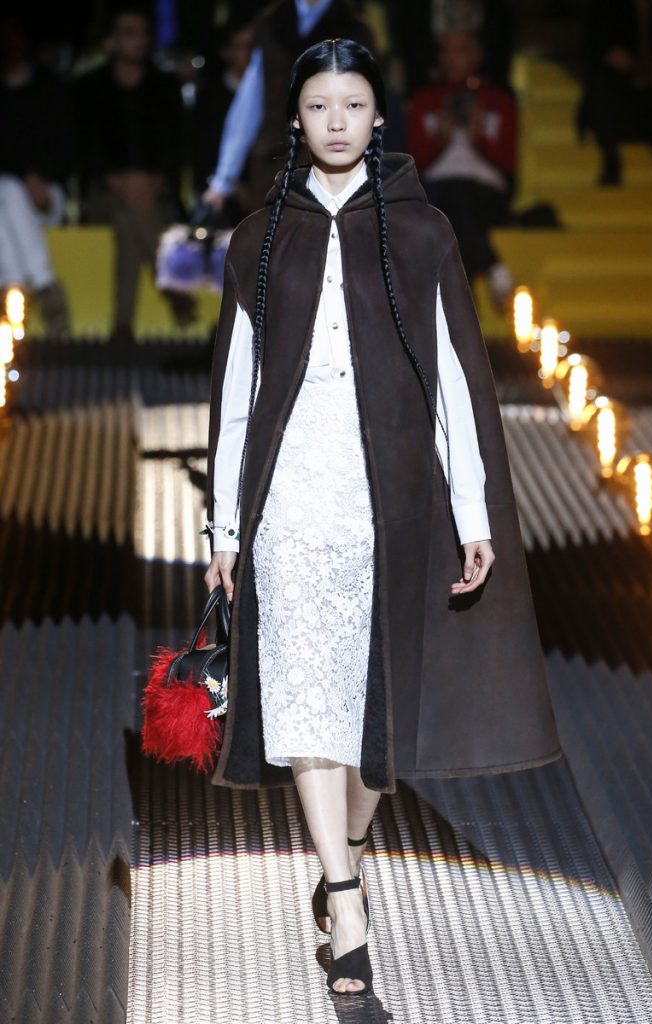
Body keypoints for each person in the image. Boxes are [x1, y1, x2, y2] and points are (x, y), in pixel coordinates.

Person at [204, 39, 562, 997]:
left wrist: (472, 512)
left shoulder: (422, 231)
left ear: (377, 116)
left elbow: (455, 384)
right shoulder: (259, 238)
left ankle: (349, 848)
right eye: (319, 106)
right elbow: (236, 395)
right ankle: (344, 896)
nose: (336, 122)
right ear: (296, 118)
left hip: (389, 496)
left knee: (372, 715)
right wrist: (225, 529)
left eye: (353, 105)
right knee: (306, 697)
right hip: (288, 496)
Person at [75, 9, 195, 342]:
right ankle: (171, 283)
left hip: (152, 195)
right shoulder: (90, 88)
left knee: (128, 219)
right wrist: (118, 181)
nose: (140, 40)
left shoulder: (164, 87)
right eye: (130, 32)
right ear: (111, 42)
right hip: (103, 192)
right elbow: (85, 149)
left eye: (143, 32)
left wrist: (153, 182)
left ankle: (122, 326)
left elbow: (175, 148)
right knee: (129, 208)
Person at [201, 0, 374, 215]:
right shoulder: (270, 23)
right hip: (273, 166)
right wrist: (223, 179)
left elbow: (365, 105)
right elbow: (250, 102)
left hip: (334, 170)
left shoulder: (355, 27)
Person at [407, 27, 518, 313]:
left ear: (477, 55)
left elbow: (509, 164)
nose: (452, 59)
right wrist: (440, 140)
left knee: (458, 204)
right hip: (436, 193)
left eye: (461, 51)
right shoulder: (424, 101)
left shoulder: (499, 101)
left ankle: (459, 306)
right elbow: (413, 165)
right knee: (454, 203)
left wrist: (479, 136)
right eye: (447, 51)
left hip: (485, 194)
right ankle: (493, 269)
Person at [0, 16, 72, 337]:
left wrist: (42, 179)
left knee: (6, 194)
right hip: (9, 200)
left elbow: (66, 149)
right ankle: (44, 284)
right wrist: (24, 177)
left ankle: (12, 295)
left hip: (49, 197)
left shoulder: (50, 90)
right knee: (7, 190)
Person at [578, 0, 652, 186]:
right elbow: (600, 50)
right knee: (603, 89)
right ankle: (611, 162)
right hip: (622, 89)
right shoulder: (608, 8)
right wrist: (632, 66)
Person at [192, 16, 254, 225]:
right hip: (220, 194)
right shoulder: (208, 97)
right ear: (226, 52)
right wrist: (231, 184)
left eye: (253, 46)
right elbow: (201, 152)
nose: (249, 54)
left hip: (266, 190)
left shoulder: (275, 96)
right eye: (242, 46)